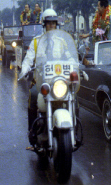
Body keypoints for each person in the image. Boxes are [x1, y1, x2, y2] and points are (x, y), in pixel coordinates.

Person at [18, 9, 74, 139]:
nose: (51, 26)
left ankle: (74, 129)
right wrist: (24, 70)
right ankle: (32, 130)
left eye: (54, 23)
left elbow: (69, 57)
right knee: (32, 94)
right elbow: (28, 59)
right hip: (42, 80)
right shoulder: (36, 42)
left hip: (59, 79)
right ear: (44, 25)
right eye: (49, 24)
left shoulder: (61, 41)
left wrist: (77, 68)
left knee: (73, 97)